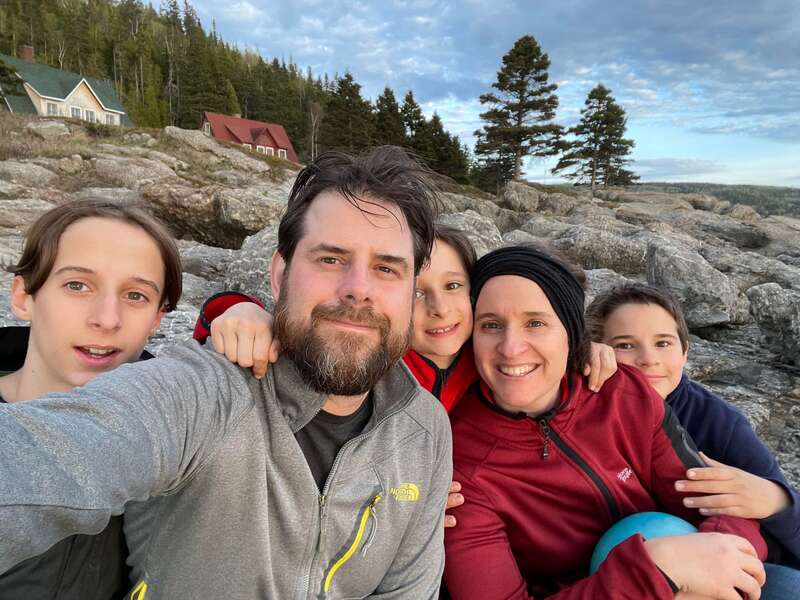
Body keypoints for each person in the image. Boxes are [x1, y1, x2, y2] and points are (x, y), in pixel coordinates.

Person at [0, 147, 453, 599]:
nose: (358, 289)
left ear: (412, 291)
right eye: (330, 259)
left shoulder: (425, 429)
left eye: (387, 268)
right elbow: (59, 452)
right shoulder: (208, 389)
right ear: (279, 275)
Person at [196, 232, 618, 528]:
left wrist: (584, 352)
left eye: (454, 286)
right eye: (418, 291)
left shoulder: (489, 360)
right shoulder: (374, 359)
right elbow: (303, 330)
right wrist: (235, 309)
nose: (439, 307)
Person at [442, 245, 767, 599]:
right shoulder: (461, 461)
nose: (510, 347)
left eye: (535, 323)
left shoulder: (623, 393)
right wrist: (657, 571)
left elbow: (715, 499)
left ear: (570, 332)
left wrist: (724, 554)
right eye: (491, 325)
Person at [0, 199, 181, 600]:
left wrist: (239, 311)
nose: (107, 318)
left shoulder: (172, 437)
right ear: (24, 296)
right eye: (77, 285)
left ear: (157, 319)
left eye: (135, 295)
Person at [586, 282, 800, 597]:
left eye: (663, 343)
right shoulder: (576, 408)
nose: (648, 359)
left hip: (731, 565)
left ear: (685, 353)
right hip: (617, 575)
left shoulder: (720, 424)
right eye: (625, 345)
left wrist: (777, 501)